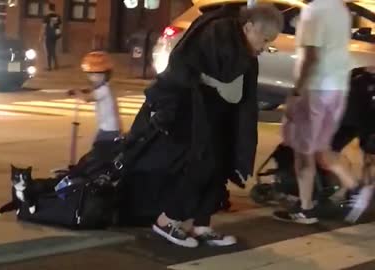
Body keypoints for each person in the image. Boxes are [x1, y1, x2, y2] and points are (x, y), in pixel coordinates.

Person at [127, 4, 283, 248]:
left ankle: (202, 225)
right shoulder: (217, 32)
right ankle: (167, 220)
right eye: (264, 40)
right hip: (193, 112)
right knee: (200, 166)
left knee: (219, 166)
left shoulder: (240, 45)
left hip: (217, 114)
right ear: (249, 27)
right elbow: (193, 68)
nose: (264, 48)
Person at [273, 0, 372, 224]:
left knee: (302, 149)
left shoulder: (313, 12)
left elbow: (311, 56)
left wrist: (296, 92)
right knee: (319, 147)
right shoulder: (341, 10)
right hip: (336, 88)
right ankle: (353, 188)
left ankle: (308, 207)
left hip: (315, 88)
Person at [330, 67, 375, 222]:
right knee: (367, 157)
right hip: (360, 121)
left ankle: (356, 190)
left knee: (327, 153)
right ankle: (359, 191)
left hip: (352, 120)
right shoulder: (359, 73)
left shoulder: (360, 75)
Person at [69, 51, 121, 145]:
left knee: (98, 152)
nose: (93, 78)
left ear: (106, 75)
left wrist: (77, 93)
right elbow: (92, 91)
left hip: (108, 131)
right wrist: (85, 90)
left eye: (97, 75)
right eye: (91, 75)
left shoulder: (104, 90)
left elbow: (87, 98)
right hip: (108, 129)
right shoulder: (105, 88)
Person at [39, 4, 62, 71]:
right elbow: (59, 26)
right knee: (53, 49)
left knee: (48, 51)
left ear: (48, 9)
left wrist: (41, 36)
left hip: (48, 35)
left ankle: (49, 66)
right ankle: (56, 64)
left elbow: (44, 27)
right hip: (55, 35)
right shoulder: (58, 16)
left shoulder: (46, 17)